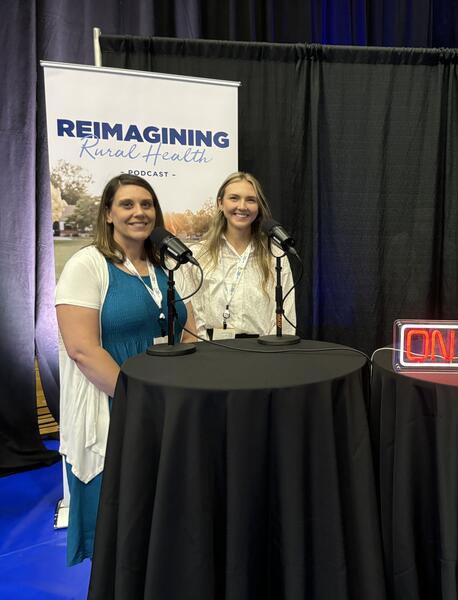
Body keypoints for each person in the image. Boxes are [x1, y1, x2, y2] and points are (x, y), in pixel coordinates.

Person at [55, 174, 195, 565]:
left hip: (166, 403)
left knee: (162, 513)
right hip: (115, 403)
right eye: (128, 205)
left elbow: (188, 328)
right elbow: (82, 349)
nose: (139, 212)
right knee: (119, 521)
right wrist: (140, 400)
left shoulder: (164, 264)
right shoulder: (88, 265)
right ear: (108, 214)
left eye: (147, 204)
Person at [182, 172, 297, 339]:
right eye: (234, 198)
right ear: (220, 203)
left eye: (251, 200)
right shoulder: (199, 254)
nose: (242, 206)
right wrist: (204, 350)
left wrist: (273, 353)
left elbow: (286, 313)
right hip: (212, 350)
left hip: (262, 352)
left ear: (258, 207)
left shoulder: (275, 255)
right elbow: (194, 314)